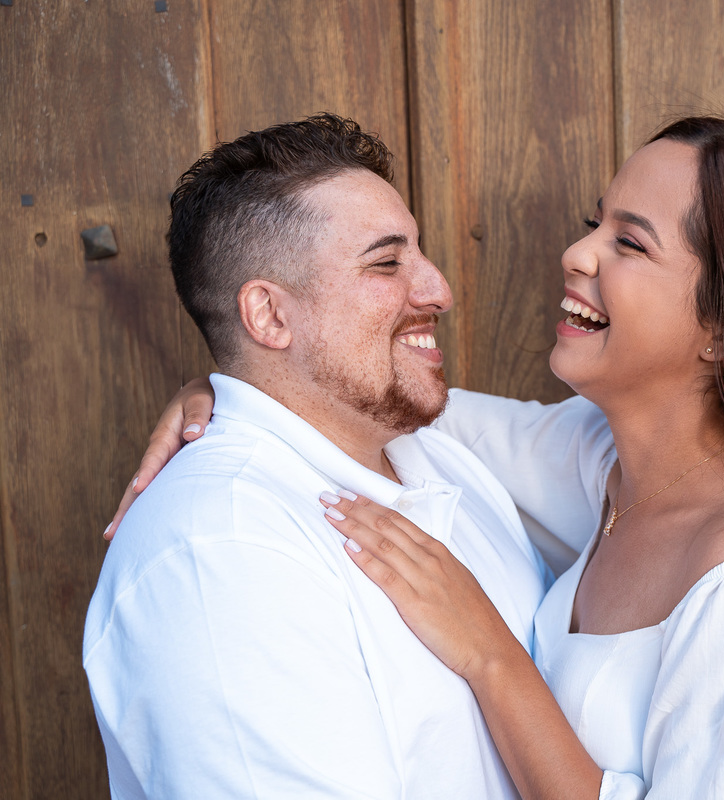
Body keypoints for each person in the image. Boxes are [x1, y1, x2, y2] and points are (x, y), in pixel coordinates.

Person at [113, 117, 724, 799]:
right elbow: (376, 399)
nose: (576, 253)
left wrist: (490, 651)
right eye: (595, 223)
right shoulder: (602, 465)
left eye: (628, 242)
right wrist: (232, 384)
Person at [83, 113, 551, 798]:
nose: (438, 290)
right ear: (269, 315)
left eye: (418, 255)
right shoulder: (218, 550)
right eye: (387, 263)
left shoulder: (448, 458)